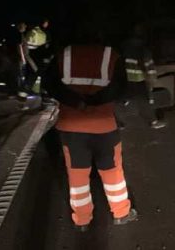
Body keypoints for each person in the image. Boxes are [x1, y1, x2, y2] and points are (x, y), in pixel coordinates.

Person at [43, 26, 138, 231]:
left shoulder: (64, 55)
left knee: (77, 174)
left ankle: (82, 220)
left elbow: (48, 83)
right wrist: (96, 101)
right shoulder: (110, 55)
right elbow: (121, 88)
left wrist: (76, 102)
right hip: (103, 125)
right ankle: (121, 213)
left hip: (71, 126)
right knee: (112, 171)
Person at [121, 24, 166, 129]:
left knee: (123, 100)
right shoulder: (144, 51)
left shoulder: (124, 48)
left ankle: (119, 123)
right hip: (139, 79)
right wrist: (151, 83)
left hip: (127, 79)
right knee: (146, 102)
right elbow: (149, 70)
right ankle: (153, 122)